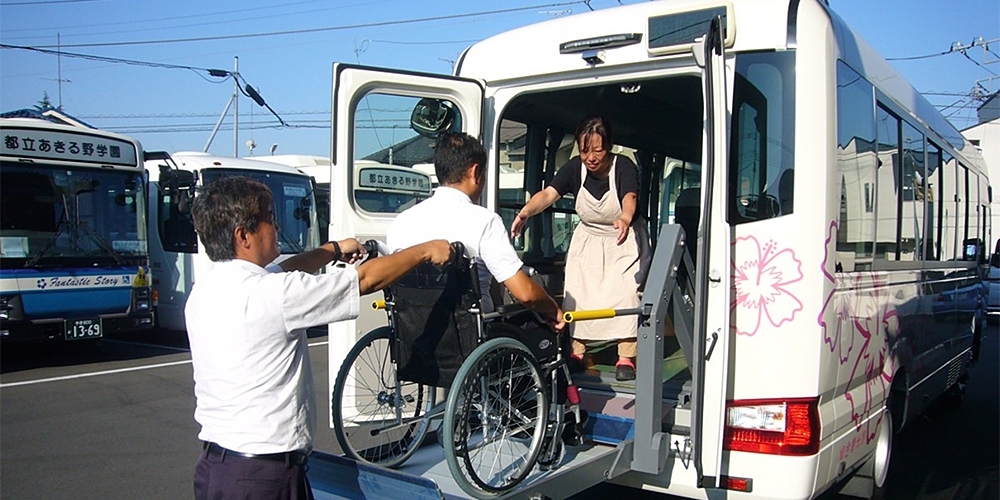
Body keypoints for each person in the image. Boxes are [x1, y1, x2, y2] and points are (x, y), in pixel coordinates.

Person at [185, 175, 452, 500]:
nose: (277, 228)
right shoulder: (272, 296)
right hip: (262, 478)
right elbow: (364, 280)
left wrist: (333, 250)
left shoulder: (205, 291)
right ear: (244, 235)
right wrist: (424, 250)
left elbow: (285, 270)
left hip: (216, 467)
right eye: (269, 219)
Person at [387, 131, 565, 332]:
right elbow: (526, 294)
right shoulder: (484, 221)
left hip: (413, 335)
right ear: (475, 172)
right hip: (469, 338)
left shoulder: (401, 222)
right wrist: (553, 308)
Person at [510, 116, 641, 381]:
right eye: (584, 150)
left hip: (621, 237)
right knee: (578, 294)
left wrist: (625, 218)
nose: (590, 157)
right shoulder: (573, 169)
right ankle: (577, 351)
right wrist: (526, 212)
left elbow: (629, 196)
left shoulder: (623, 166)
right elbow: (548, 194)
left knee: (625, 292)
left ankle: (625, 355)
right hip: (588, 239)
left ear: (609, 146)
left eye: (597, 150)